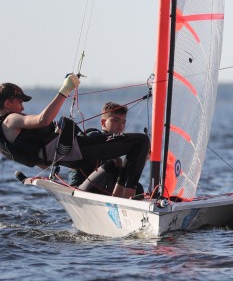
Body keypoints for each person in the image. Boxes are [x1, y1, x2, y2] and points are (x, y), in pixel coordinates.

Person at [0, 76, 150, 198]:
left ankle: (122, 197)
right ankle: (124, 200)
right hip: (76, 150)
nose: (22, 108)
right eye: (20, 102)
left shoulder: (3, 139)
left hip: (70, 156)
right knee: (141, 141)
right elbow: (42, 120)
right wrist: (65, 89)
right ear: (7, 103)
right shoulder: (11, 119)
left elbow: (42, 163)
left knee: (126, 156)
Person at [68, 102, 144, 196]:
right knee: (111, 165)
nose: (121, 125)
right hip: (80, 188)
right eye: (116, 120)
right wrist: (109, 158)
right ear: (103, 123)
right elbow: (86, 154)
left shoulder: (115, 144)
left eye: (123, 122)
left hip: (99, 188)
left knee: (138, 187)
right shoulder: (94, 136)